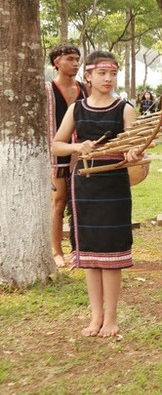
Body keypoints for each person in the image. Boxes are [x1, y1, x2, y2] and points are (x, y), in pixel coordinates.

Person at [51, 51, 143, 337]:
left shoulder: (124, 109)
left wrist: (133, 152)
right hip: (84, 185)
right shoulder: (76, 110)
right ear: (88, 76)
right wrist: (77, 147)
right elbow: (56, 144)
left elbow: (135, 145)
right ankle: (95, 316)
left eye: (113, 73)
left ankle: (111, 317)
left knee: (111, 252)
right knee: (90, 254)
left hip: (114, 185)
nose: (108, 79)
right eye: (102, 73)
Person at [45, 43, 89, 268]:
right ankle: (56, 250)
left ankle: (80, 248)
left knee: (83, 200)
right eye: (70, 59)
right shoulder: (47, 90)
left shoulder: (85, 89)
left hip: (83, 151)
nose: (75, 63)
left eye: (77, 59)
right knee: (59, 200)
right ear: (57, 62)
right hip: (58, 152)